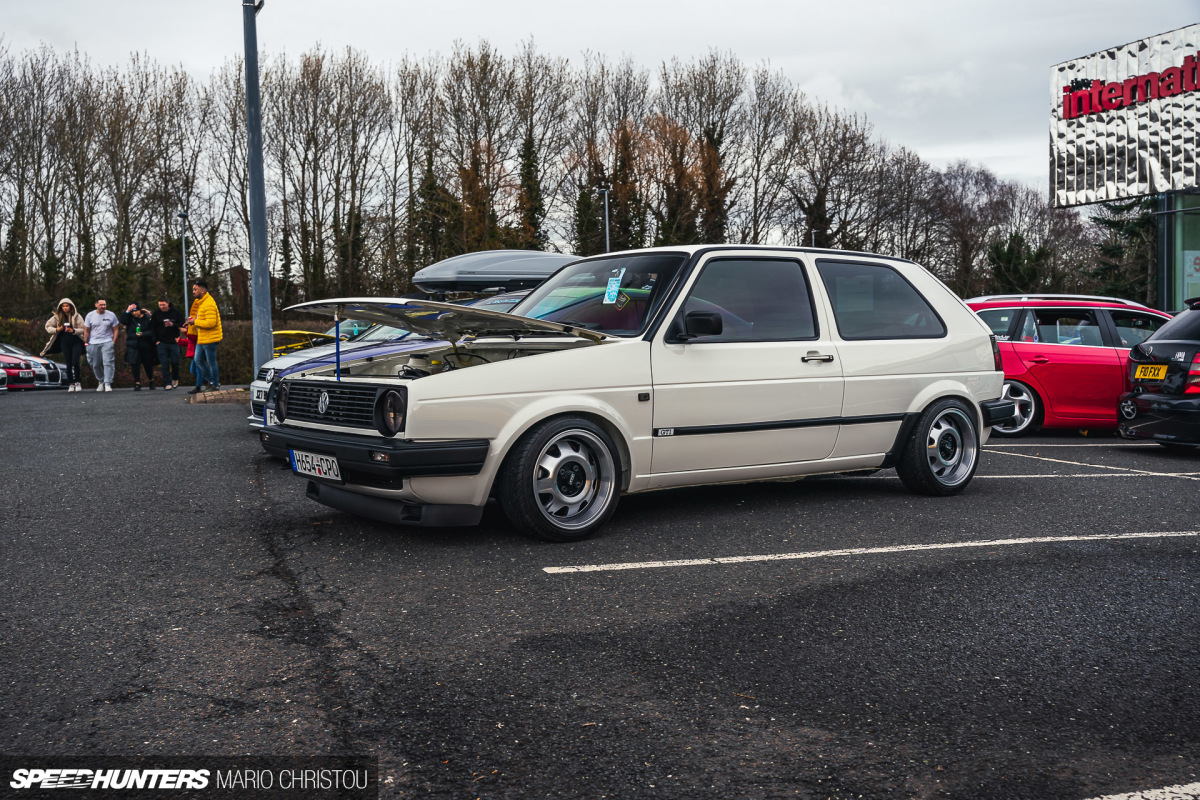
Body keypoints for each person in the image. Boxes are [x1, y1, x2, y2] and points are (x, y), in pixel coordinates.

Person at [186, 279, 223, 394]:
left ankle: (215, 384)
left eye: (195, 289)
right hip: (202, 338)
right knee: (198, 360)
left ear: (202, 290)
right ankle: (211, 381)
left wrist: (195, 322)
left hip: (210, 339)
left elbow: (211, 323)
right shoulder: (202, 303)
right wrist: (191, 322)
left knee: (211, 362)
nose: (193, 292)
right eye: (193, 289)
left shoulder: (209, 304)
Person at [42, 298, 86, 391]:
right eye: (63, 306)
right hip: (64, 342)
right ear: (60, 307)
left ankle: (78, 382)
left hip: (76, 342)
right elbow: (48, 326)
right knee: (68, 363)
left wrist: (73, 330)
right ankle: (71, 384)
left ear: (71, 306)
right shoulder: (57, 317)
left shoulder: (77, 316)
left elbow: (83, 329)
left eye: (67, 306)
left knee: (75, 362)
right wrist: (57, 330)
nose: (65, 308)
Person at [83, 297, 120, 392]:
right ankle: (101, 381)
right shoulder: (90, 315)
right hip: (93, 342)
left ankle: (107, 383)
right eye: (101, 305)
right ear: (96, 305)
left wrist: (113, 341)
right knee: (95, 364)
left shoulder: (111, 315)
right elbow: (86, 330)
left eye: (104, 304)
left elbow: (116, 329)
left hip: (107, 341)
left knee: (108, 362)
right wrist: (86, 342)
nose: (103, 306)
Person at [121, 302, 159, 390]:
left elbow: (153, 331)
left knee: (148, 364)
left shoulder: (147, 318)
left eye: (136, 311)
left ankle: (151, 380)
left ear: (139, 310)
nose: (134, 313)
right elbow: (123, 321)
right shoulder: (130, 318)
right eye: (132, 312)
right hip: (133, 344)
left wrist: (143, 334)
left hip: (146, 344)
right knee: (135, 364)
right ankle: (137, 382)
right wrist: (127, 310)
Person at [151, 296, 185, 390]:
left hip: (174, 341)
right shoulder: (156, 314)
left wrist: (173, 324)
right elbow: (152, 328)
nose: (162, 307)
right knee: (164, 363)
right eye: (160, 305)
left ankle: (175, 378)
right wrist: (156, 340)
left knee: (175, 362)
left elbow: (182, 324)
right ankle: (167, 383)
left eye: (163, 305)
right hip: (161, 342)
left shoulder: (176, 312)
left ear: (168, 304)